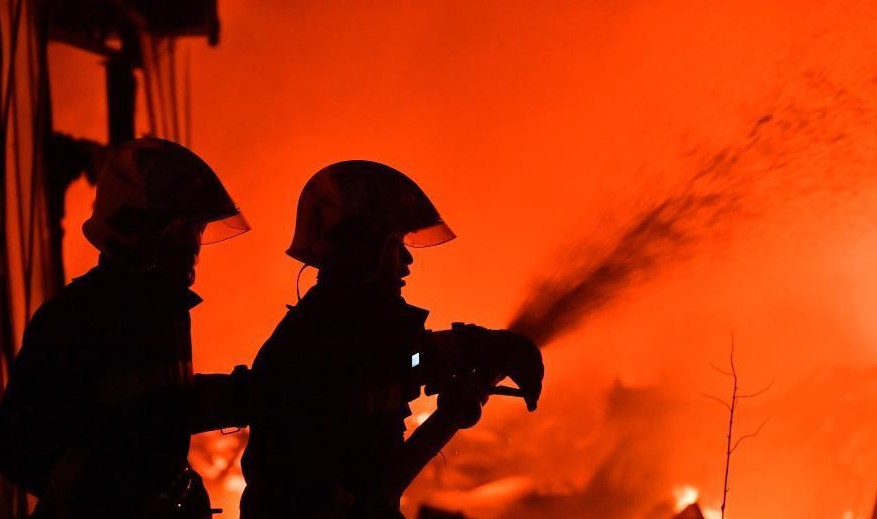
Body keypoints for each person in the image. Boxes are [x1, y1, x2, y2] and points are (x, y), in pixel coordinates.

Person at [240, 160, 544, 519]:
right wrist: (475, 356)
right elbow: (400, 362)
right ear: (366, 250)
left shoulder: (340, 330)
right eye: (396, 243)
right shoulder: (326, 338)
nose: (408, 260)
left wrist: (474, 354)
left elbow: (406, 361)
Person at [0, 137, 251, 519]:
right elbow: (19, 450)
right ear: (144, 231)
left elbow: (162, 409)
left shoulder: (162, 312)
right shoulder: (73, 320)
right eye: (186, 232)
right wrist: (125, 502)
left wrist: (248, 395)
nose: (194, 249)